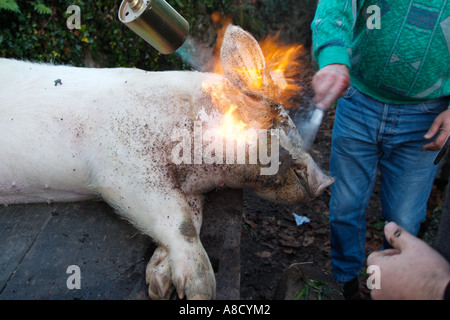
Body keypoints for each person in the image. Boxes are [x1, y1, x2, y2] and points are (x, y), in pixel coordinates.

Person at [310, 0, 450, 297]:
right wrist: (333, 55)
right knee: (344, 208)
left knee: (404, 221)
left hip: (426, 119)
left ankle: (387, 290)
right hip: (358, 100)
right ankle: (345, 281)